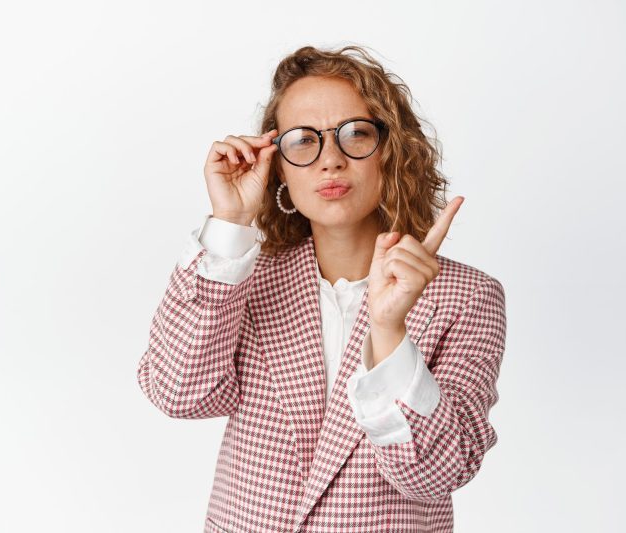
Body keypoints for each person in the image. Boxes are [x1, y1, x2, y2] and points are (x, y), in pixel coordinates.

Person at [136, 44, 507, 533]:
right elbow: (179, 393)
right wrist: (231, 221)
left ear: (390, 152)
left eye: (355, 134)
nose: (330, 160)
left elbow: (437, 472)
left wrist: (390, 329)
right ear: (279, 167)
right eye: (303, 141)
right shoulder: (246, 275)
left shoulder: (466, 296)